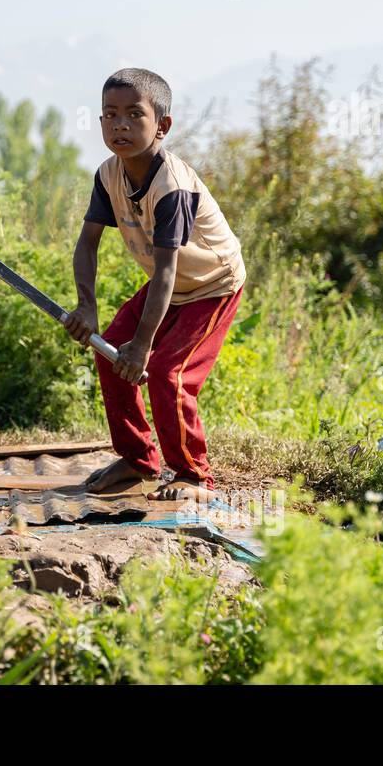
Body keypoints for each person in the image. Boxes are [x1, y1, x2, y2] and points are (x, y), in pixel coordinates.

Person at [64, 69, 246, 500]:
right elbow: (87, 243)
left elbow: (166, 270)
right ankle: (138, 459)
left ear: (162, 126)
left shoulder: (172, 186)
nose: (120, 125)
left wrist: (143, 345)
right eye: (110, 115)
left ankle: (193, 475)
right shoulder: (109, 174)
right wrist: (86, 306)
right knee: (110, 352)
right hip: (170, 285)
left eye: (133, 115)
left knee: (169, 374)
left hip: (211, 284)